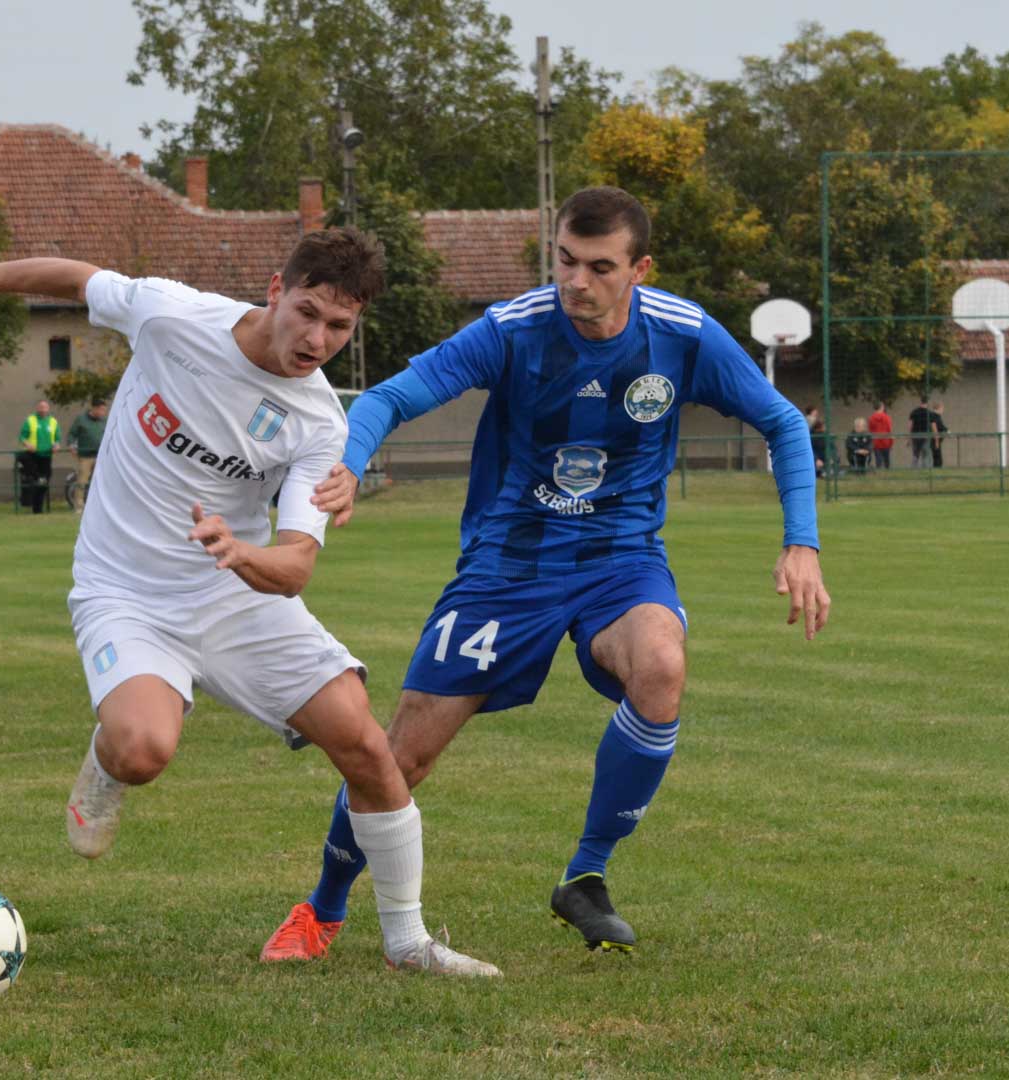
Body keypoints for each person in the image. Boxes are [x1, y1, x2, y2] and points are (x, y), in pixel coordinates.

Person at [261, 186, 829, 963]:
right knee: (403, 755)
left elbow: (783, 422)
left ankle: (586, 875)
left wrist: (803, 543)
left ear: (640, 270)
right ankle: (323, 909)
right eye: (565, 260)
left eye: (599, 267)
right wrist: (351, 464)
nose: (575, 282)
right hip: (508, 565)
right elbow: (389, 398)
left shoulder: (683, 335)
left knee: (661, 665)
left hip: (621, 559)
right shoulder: (514, 329)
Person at [0, 228, 499, 977]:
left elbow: (295, 566)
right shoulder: (174, 315)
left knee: (364, 743)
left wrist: (239, 553)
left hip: (238, 592)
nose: (317, 339)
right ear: (275, 290)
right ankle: (105, 764)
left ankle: (408, 943)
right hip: (125, 589)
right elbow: (79, 276)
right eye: (307, 313)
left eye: (339, 326)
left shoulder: (320, 423)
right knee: (142, 749)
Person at [19, 400, 62, 513]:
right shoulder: (30, 420)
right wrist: (27, 444)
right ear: (37, 408)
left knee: (44, 482)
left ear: (48, 409)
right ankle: (30, 503)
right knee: (34, 480)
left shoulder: (53, 421)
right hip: (33, 455)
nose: (43, 409)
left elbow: (57, 439)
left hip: (46, 456)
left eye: (45, 407)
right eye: (41, 407)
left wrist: (57, 445)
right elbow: (22, 437)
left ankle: (38, 508)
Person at [66, 397, 109, 510]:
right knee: (82, 481)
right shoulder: (81, 420)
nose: (103, 413)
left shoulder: (104, 421)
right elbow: (72, 434)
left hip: (100, 456)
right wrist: (71, 445)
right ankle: (79, 505)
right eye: (101, 410)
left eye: (104, 410)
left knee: (100, 481)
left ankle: (99, 505)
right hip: (85, 456)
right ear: (94, 408)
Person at [908, 396, 934, 469]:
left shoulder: (914, 412)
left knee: (915, 454)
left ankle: (914, 469)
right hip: (926, 436)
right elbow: (933, 425)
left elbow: (910, 425)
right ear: (927, 402)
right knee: (925, 454)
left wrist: (909, 437)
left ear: (921, 401)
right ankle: (924, 470)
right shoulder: (929, 413)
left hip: (915, 435)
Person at [867, 401, 893, 470]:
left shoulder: (871, 418)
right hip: (886, 441)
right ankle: (887, 472)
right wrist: (891, 442)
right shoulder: (886, 417)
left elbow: (870, 430)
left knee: (878, 460)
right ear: (881, 407)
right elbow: (889, 429)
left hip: (876, 441)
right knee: (887, 460)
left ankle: (879, 473)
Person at [930, 402, 948, 468]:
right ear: (938, 408)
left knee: (938, 456)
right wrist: (936, 441)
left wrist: (947, 430)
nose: (943, 410)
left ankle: (938, 468)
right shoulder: (933, 416)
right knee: (937, 456)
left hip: (938, 439)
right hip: (935, 439)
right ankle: (937, 468)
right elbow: (934, 427)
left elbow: (941, 426)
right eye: (942, 408)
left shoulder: (938, 416)